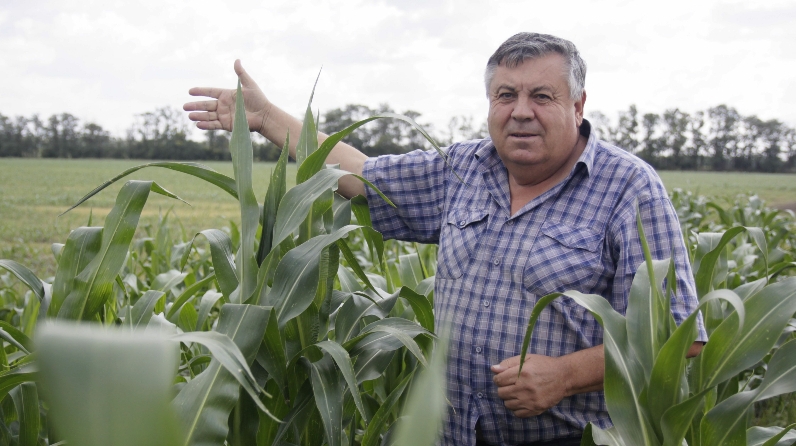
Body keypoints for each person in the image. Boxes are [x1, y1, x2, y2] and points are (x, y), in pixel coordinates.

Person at [184, 32, 706, 446]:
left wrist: (566, 375)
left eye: (542, 96)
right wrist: (266, 118)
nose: (521, 111)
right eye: (506, 95)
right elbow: (362, 176)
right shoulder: (463, 169)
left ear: (578, 104)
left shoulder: (628, 188)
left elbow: (677, 334)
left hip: (570, 438)